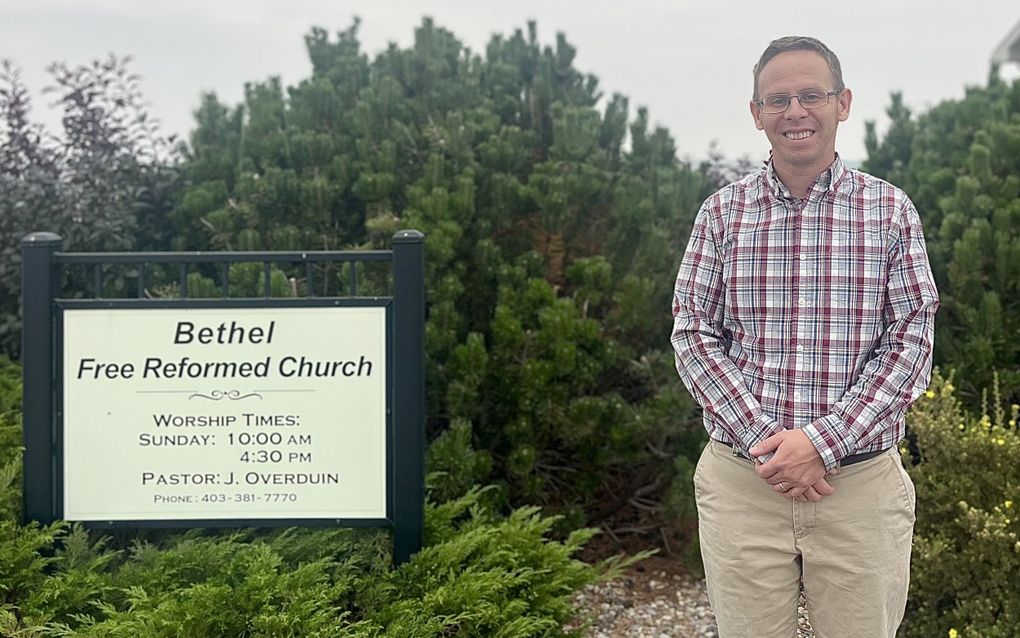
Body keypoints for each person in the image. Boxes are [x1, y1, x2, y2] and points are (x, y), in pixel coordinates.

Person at [670, 36, 938, 638]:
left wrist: (822, 443)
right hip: (743, 486)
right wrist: (770, 443)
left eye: (811, 95)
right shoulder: (720, 215)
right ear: (756, 113)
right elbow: (693, 334)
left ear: (842, 103)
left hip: (860, 489)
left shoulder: (890, 212)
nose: (796, 111)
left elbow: (912, 341)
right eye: (778, 99)